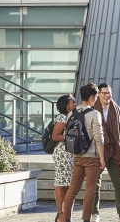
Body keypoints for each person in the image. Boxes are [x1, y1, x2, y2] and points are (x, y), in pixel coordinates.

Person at [60, 83, 105, 222]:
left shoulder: (71, 113)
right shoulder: (94, 114)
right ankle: (86, 219)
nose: (96, 99)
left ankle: (66, 219)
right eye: (96, 97)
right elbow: (99, 137)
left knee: (72, 190)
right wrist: (102, 158)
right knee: (90, 189)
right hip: (92, 157)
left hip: (77, 155)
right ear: (91, 97)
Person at [91, 83, 120, 222]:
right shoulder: (92, 110)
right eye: (104, 93)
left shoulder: (118, 110)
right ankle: (94, 214)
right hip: (97, 151)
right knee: (94, 184)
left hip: (115, 151)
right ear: (98, 94)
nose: (107, 95)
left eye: (109, 92)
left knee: (119, 184)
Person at [52, 94, 77, 222]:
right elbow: (55, 136)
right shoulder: (62, 117)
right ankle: (60, 214)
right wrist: (70, 138)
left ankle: (66, 214)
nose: (75, 104)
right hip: (63, 154)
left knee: (69, 185)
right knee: (61, 184)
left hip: (70, 154)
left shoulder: (72, 117)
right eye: (73, 102)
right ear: (67, 105)